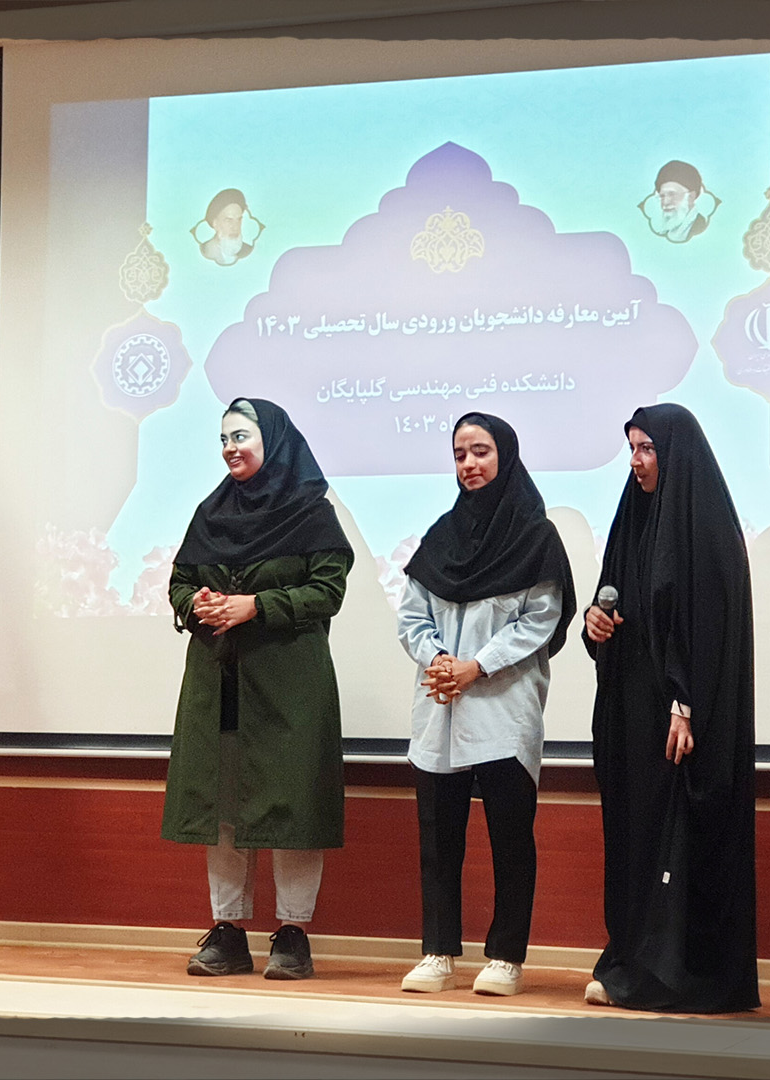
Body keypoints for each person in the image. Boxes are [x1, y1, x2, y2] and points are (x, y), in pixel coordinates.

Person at [164, 397, 353, 980]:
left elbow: (328, 591)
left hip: (291, 687)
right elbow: (179, 581)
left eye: (241, 436)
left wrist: (257, 606)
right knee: (223, 808)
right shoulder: (210, 512)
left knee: (293, 808)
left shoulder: (312, 513)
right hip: (220, 684)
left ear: (273, 440)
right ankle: (228, 931)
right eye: (223, 439)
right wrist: (196, 602)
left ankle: (293, 934)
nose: (230, 448)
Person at [582, 403, 759, 1013]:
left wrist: (686, 706)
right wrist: (595, 622)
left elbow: (707, 631)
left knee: (677, 842)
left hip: (683, 722)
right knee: (635, 842)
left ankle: (676, 975)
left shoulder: (705, 529)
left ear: (675, 454)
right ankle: (630, 959)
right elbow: (612, 601)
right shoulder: (632, 520)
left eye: (648, 449)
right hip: (631, 715)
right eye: (632, 448)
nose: (636, 461)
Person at [394, 413, 575, 997]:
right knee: (438, 838)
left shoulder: (536, 537)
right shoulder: (440, 536)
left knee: (510, 837)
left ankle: (505, 957)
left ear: (506, 456)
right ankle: (438, 951)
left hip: (503, 703)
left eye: (480, 452)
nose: (469, 464)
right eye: (460, 454)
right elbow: (412, 615)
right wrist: (440, 660)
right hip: (440, 701)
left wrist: (477, 665)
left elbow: (540, 619)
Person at [637, 160, 721, 245]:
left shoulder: (700, 227)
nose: (665, 202)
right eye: (662, 196)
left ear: (691, 196)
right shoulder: (664, 231)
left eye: (672, 194)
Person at [197, 188, 260, 266]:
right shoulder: (206, 250)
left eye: (239, 220)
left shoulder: (247, 251)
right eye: (228, 220)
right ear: (215, 223)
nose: (235, 227)